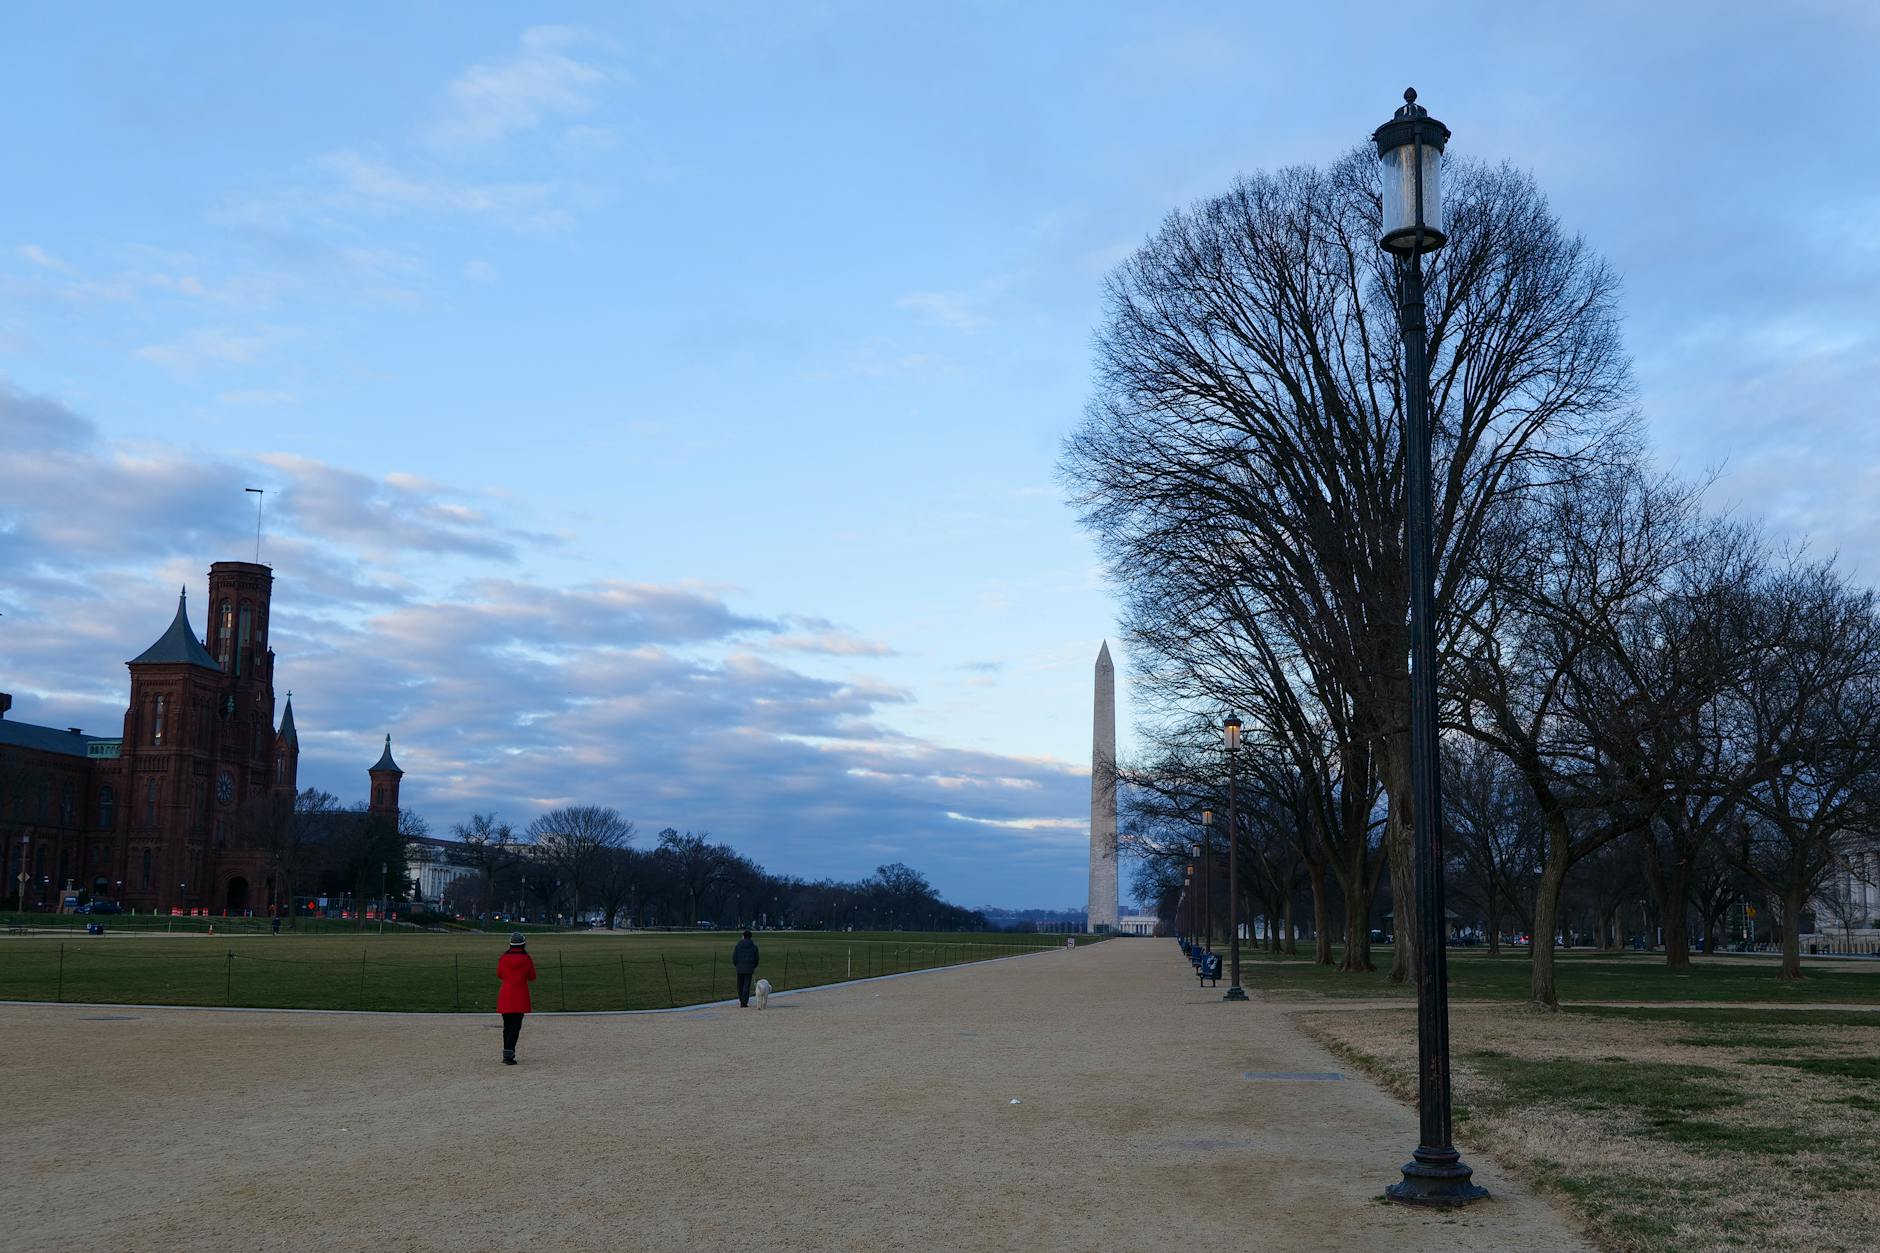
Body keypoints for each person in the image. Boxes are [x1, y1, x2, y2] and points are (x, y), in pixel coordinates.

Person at [497, 931, 537, 1065]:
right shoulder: (526, 958)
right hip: (520, 995)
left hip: (506, 995)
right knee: (515, 1026)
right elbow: (532, 976)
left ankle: (507, 1051)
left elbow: (499, 974)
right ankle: (509, 1053)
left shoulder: (504, 957)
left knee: (507, 1026)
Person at [731, 929, 760, 1008]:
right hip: (749, 968)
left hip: (739, 968)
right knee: (746, 986)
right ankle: (744, 1002)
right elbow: (756, 958)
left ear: (743, 936)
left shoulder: (738, 946)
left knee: (739, 985)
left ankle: (741, 999)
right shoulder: (754, 947)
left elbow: (734, 957)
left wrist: (736, 965)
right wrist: (754, 965)